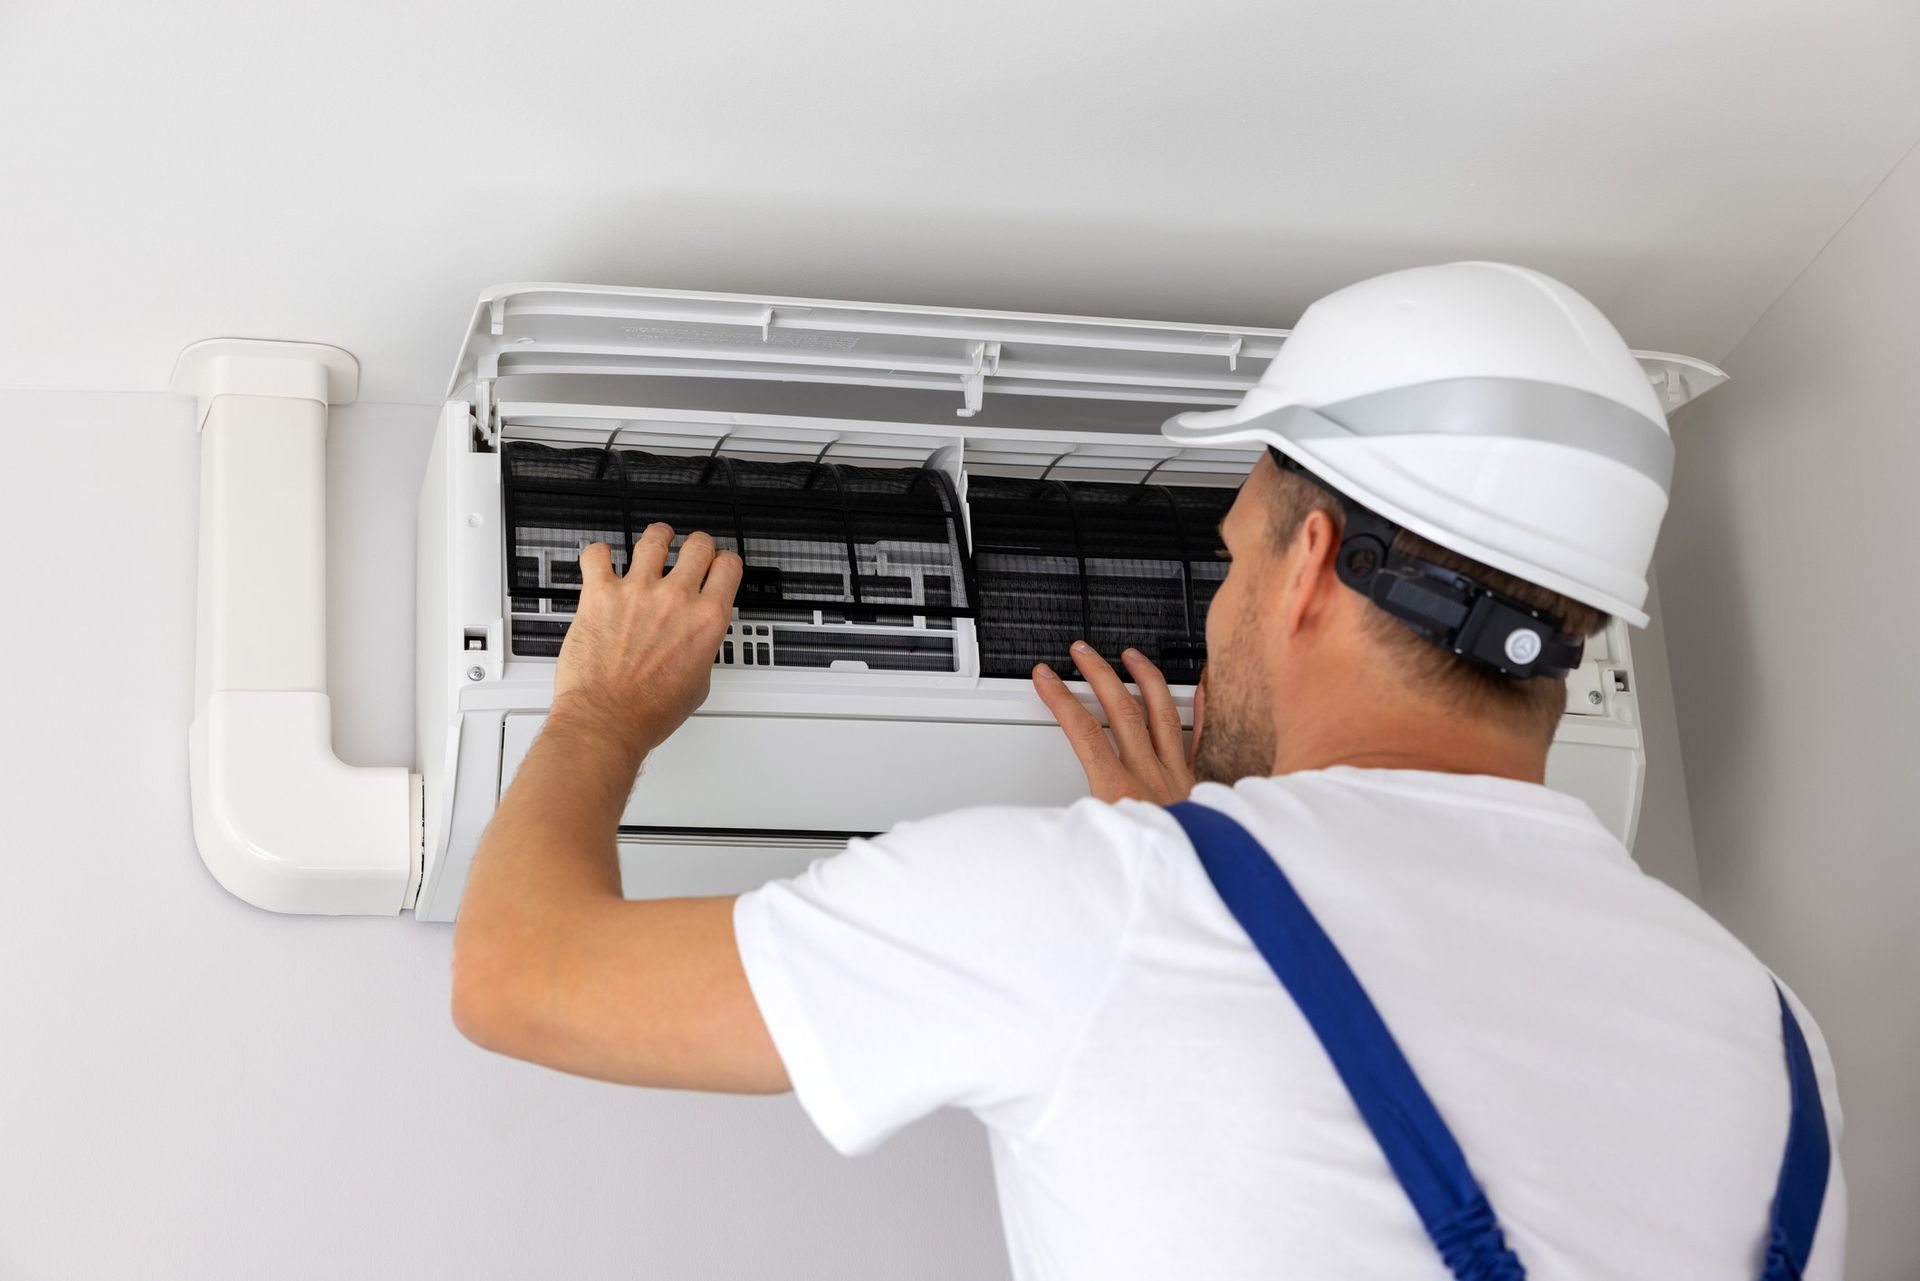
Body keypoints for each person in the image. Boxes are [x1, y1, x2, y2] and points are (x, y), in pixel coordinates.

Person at [450, 263, 1846, 1279]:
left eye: (1230, 557)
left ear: (1308, 566)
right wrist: (1214, 874)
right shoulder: (1776, 1039)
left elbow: (519, 974)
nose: (1221, 604)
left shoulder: (1101, 911)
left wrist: (603, 711)